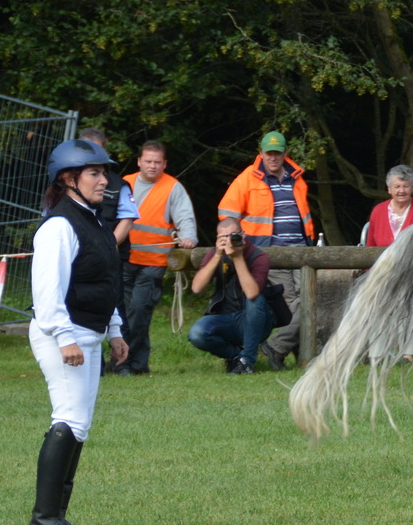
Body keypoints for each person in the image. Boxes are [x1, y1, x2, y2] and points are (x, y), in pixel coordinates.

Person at [27, 138, 129, 525]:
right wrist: (64, 337)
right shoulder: (58, 225)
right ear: (68, 179)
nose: (104, 179)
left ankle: (56, 518)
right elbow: (47, 292)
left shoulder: (95, 221)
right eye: (95, 173)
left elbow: (106, 281)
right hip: (63, 335)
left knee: (79, 424)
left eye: (104, 172)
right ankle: (45, 521)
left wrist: (116, 330)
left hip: (89, 333)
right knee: (68, 419)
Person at [218, 132, 314, 371]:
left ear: (285, 153)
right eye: (269, 153)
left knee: (311, 300)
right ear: (260, 153)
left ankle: (279, 348)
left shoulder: (297, 178)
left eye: (277, 153)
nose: (273, 157)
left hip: (302, 251)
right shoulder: (246, 179)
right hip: (270, 252)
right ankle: (287, 351)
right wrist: (239, 239)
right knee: (296, 301)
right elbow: (226, 213)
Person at [114, 143, 197, 376]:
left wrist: (188, 237)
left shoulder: (173, 187)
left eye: (157, 162)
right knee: (119, 314)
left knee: (139, 312)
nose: (152, 166)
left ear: (164, 164)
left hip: (153, 263)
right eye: (148, 161)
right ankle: (123, 362)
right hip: (123, 260)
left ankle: (133, 364)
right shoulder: (124, 183)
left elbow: (185, 217)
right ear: (139, 161)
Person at [187, 216, 275, 374]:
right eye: (224, 237)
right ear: (217, 239)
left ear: (243, 235)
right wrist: (217, 256)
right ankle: (236, 357)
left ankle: (247, 361)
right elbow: (197, 288)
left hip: (257, 321)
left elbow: (252, 292)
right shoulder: (215, 254)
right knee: (197, 333)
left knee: (255, 300)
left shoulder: (258, 256)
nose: (229, 241)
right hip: (226, 318)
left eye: (233, 236)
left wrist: (237, 257)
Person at [75, 126, 137, 247]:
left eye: (97, 149)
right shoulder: (66, 179)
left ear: (104, 150)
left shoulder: (118, 185)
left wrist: (107, 247)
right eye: (88, 149)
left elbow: (127, 220)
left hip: (107, 252)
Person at [365, 165, 413, 247]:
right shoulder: (378, 210)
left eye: (406, 186)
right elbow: (370, 246)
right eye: (397, 187)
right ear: (389, 189)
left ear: (412, 188)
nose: (402, 191)